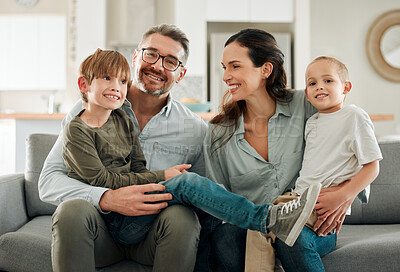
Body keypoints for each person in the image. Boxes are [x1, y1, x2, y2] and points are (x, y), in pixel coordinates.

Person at [64, 48, 322, 253]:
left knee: (201, 211)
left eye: (122, 81)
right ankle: (267, 219)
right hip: (112, 219)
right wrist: (163, 176)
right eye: (107, 79)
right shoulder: (77, 129)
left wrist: (154, 181)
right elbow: (100, 180)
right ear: (84, 84)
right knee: (186, 184)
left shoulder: (122, 119)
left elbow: (138, 167)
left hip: (139, 210)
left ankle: (263, 220)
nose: (117, 87)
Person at [203, 29, 376, 272]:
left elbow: (350, 142)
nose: (226, 76)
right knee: (224, 238)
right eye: (224, 67)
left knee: (292, 237)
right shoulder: (218, 132)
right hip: (251, 227)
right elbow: (217, 197)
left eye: (235, 66)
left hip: (310, 220)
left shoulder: (305, 105)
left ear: (265, 70)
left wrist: (345, 194)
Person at [39, 24, 208, 272]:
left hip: (151, 236)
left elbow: (200, 195)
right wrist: (106, 198)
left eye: (171, 61)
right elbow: (48, 181)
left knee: (184, 217)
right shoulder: (87, 111)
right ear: (136, 57)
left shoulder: (195, 129)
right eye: (151, 54)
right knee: (71, 210)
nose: (158, 66)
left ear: (180, 74)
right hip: (99, 233)